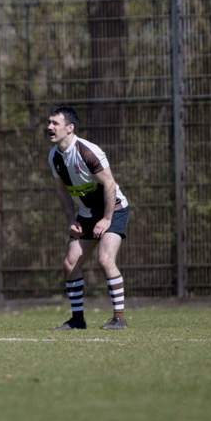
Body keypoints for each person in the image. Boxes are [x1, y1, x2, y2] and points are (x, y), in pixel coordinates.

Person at [46, 105, 130, 330]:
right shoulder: (54, 157)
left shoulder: (87, 151)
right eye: (49, 122)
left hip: (114, 209)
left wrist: (106, 219)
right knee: (70, 263)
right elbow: (62, 190)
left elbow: (110, 184)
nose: (49, 127)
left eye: (55, 123)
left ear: (69, 128)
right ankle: (77, 320)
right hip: (86, 214)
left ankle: (119, 318)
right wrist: (71, 219)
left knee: (105, 259)